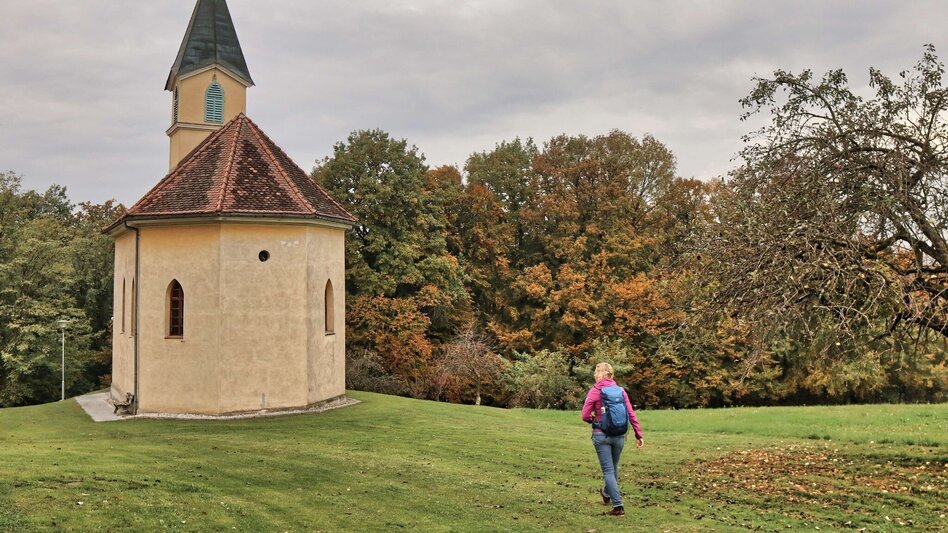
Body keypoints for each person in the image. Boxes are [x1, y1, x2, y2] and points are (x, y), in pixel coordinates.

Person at [581, 362, 644, 517]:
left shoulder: (595, 390)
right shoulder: (621, 391)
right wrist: (638, 434)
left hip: (601, 435)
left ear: (598, 374)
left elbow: (585, 415)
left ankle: (618, 507)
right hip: (620, 436)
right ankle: (606, 494)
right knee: (613, 468)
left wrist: (594, 421)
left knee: (608, 470)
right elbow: (630, 413)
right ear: (611, 374)